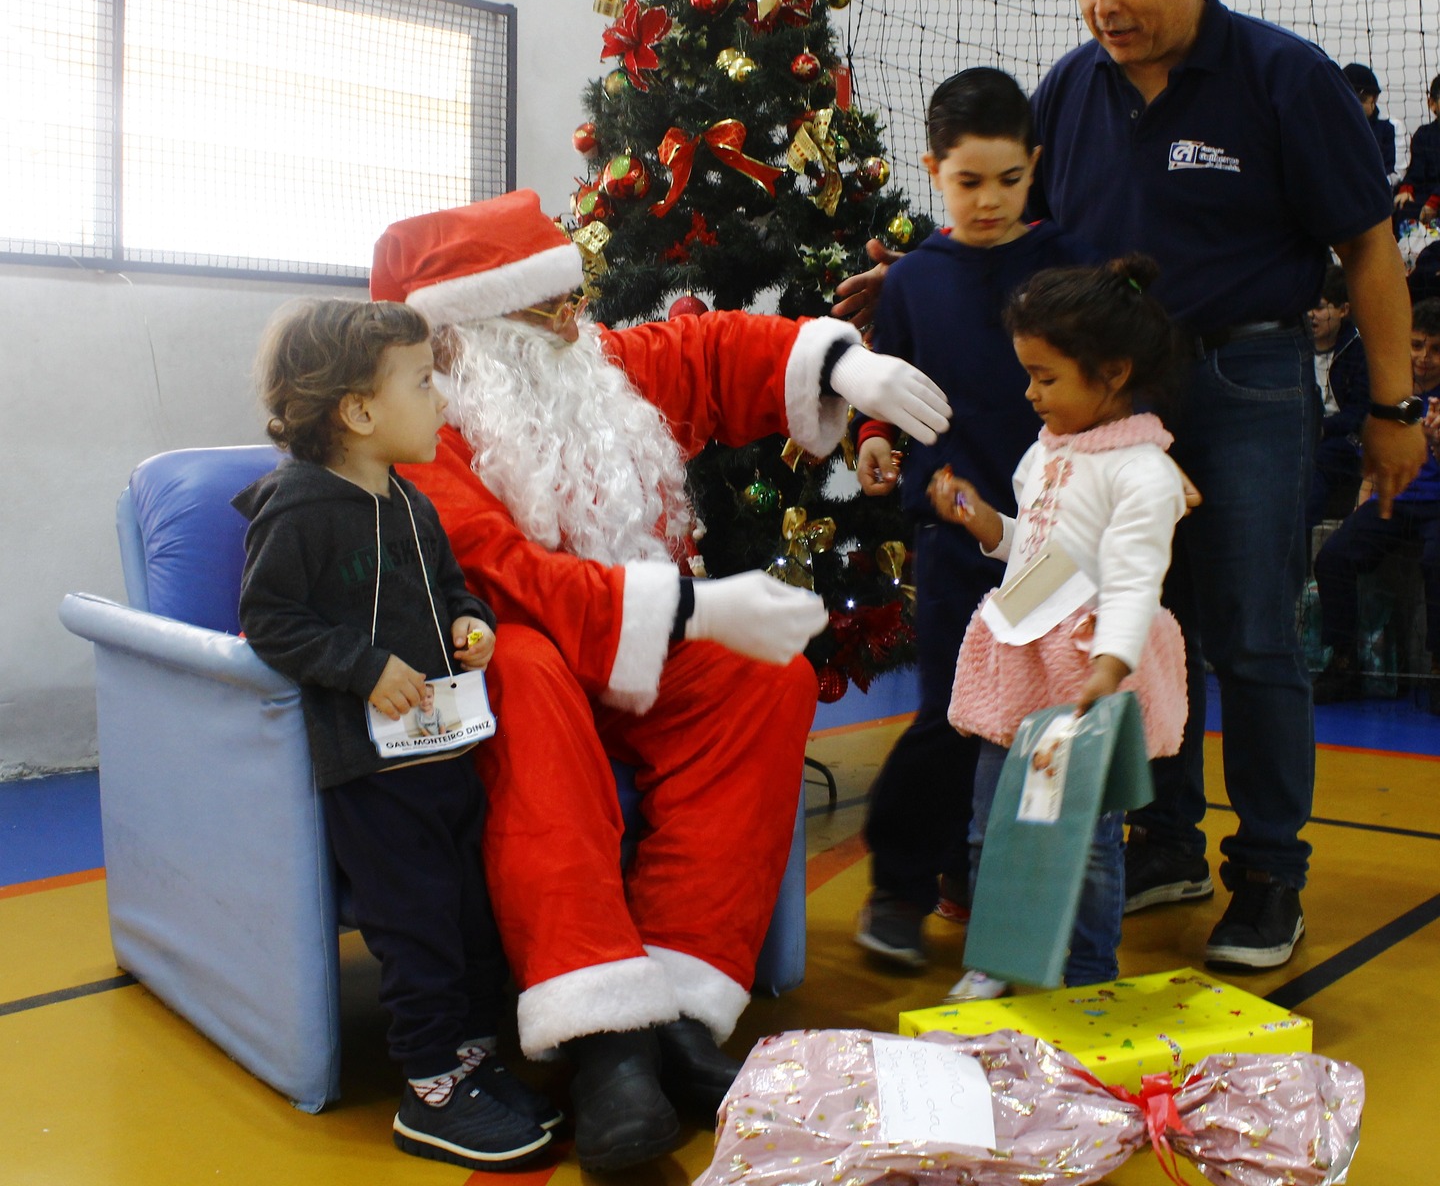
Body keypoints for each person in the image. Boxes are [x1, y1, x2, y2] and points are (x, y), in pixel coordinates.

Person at [836, 0, 1421, 970]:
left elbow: (1371, 249)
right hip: (1103, 407)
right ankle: (1163, 840)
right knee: (1131, 622)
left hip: (1245, 384)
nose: (1104, 2)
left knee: (1250, 634)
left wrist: (1392, 404)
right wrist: (915, 277)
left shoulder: (1284, 79)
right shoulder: (1068, 90)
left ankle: (1269, 875)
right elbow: (1022, 245)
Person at [370, 189, 951, 1172]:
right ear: (464, 332)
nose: (571, 320)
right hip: (505, 663)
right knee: (527, 670)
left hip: (623, 645)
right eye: (542, 307)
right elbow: (506, 580)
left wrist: (844, 359)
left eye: (572, 296)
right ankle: (604, 1041)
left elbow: (709, 353)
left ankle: (679, 1008)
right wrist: (697, 606)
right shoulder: (422, 437)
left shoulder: (595, 369)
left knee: (758, 678)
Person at [234, 298, 560, 1172]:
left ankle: (471, 1059)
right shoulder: (299, 509)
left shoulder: (411, 504)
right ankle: (427, 1089)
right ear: (359, 411)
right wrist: (361, 665)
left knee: (467, 912)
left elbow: (453, 589)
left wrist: (471, 625)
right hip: (372, 774)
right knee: (415, 922)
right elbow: (269, 619)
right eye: (422, 382)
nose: (442, 399)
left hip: (445, 751)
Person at [850, 67, 1079, 968]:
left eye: (1008, 180)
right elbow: (886, 377)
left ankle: (1023, 895)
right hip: (953, 538)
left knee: (1047, 719)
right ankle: (903, 889)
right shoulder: (910, 283)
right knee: (952, 711)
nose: (989, 201)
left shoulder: (1070, 264)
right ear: (933, 171)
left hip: (1054, 541)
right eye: (967, 182)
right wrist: (872, 436)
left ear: (1035, 167)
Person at [932, 254, 1189, 1000]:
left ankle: (1086, 973)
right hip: (1019, 659)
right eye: (1029, 374)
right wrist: (990, 527)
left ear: (1111, 373)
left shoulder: (1143, 471)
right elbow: (1043, 551)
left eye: (1046, 377)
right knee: (996, 825)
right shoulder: (1042, 452)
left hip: (1082, 674)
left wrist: (1110, 666)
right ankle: (1000, 955)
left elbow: (1136, 576)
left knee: (1086, 839)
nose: (1030, 392)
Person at [1311, 298, 1440, 702]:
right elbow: (1379, 455)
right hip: (1393, 499)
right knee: (1333, 556)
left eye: (1435, 349)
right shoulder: (1400, 398)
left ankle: (1437, 667)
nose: (1423, 358)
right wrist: (1360, 507)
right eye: (1417, 345)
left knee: (1437, 560)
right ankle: (1344, 660)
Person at [1307, 264, 1369, 530]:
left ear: (1344, 310)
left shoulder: (1357, 351)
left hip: (1341, 441)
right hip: (1300, 430)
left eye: (1320, 307)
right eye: (1307, 306)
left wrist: (1322, 428)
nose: (1311, 315)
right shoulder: (1295, 347)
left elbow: (1359, 412)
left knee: (1313, 469)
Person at [1342, 63, 1398, 187]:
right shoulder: (1333, 128)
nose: (1354, 105)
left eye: (1361, 100)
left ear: (1374, 99)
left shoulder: (1388, 128)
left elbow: (1393, 172)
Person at [1396, 74, 1440, 225]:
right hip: (1425, 198)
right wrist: (1406, 189)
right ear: (1432, 103)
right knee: (1399, 205)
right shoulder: (1424, 134)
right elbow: (1416, 171)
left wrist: (1435, 201)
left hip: (1435, 199)